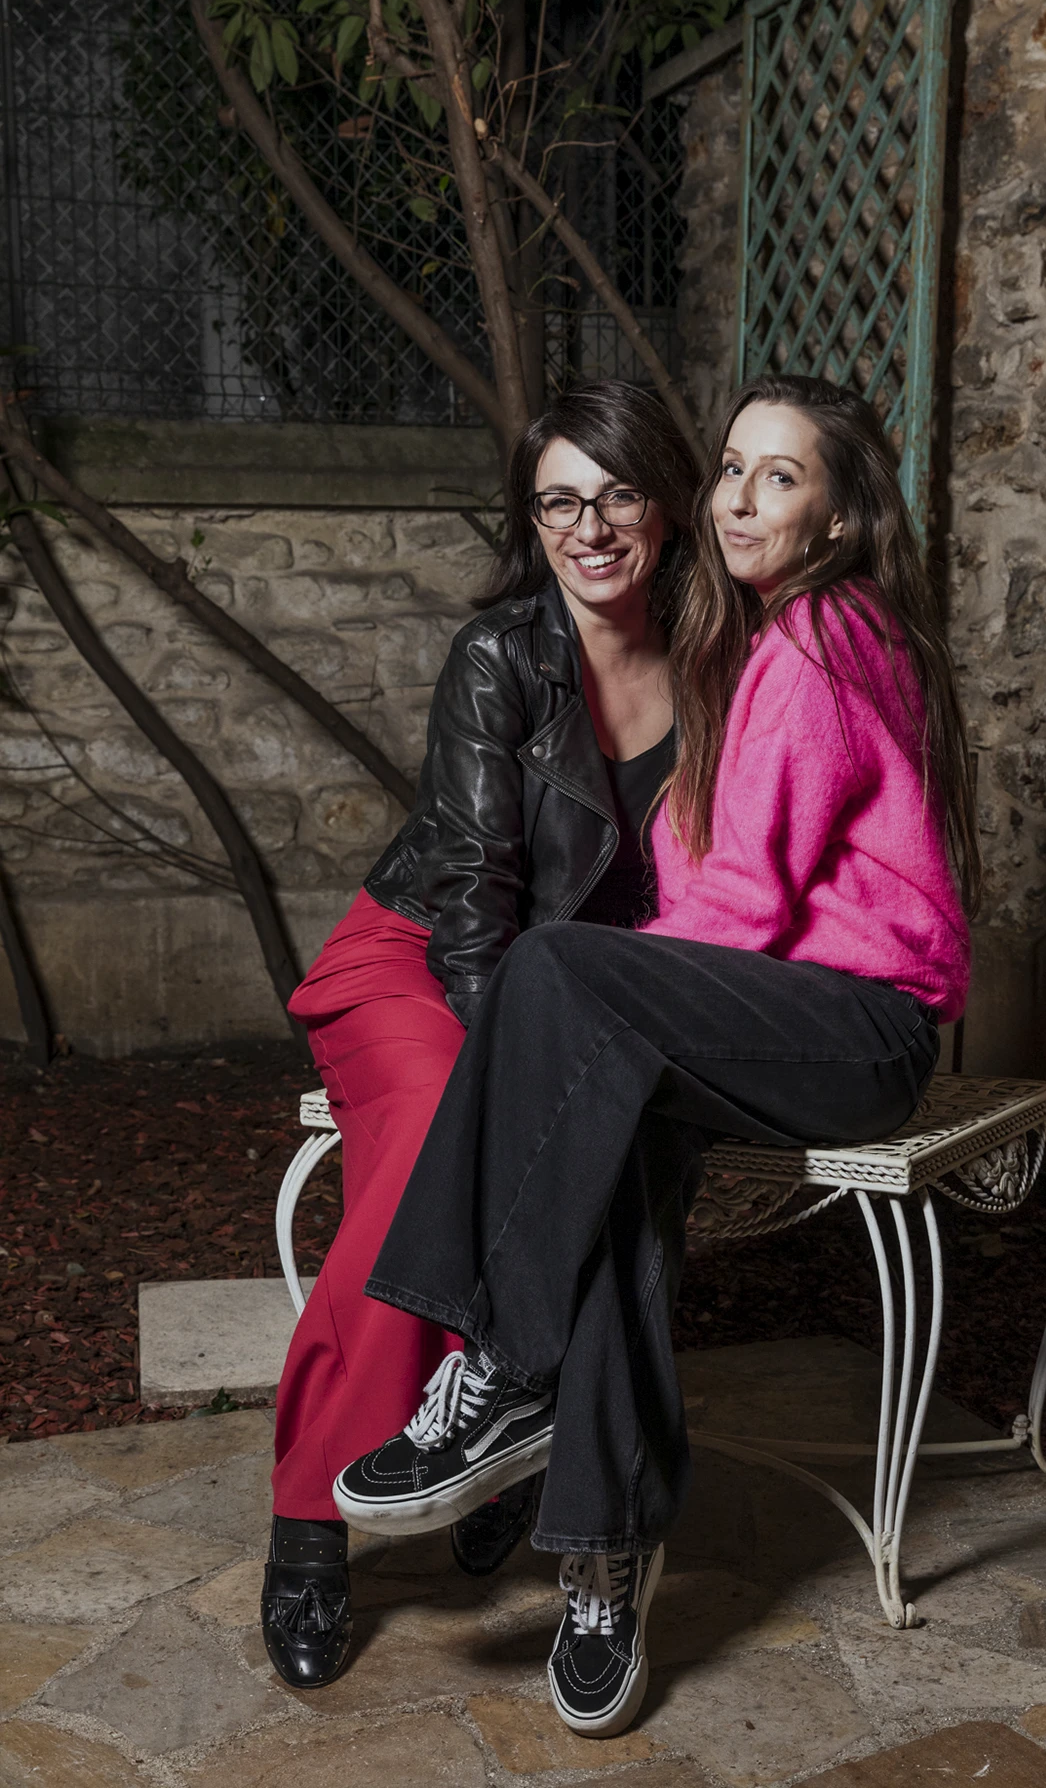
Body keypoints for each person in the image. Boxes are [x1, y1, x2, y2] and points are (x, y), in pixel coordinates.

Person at [333, 374, 979, 1736]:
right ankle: (604, 1558)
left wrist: (615, 990)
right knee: (614, 1121)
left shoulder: (812, 642)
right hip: (776, 1015)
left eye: (779, 477)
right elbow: (715, 908)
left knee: (562, 968)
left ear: (839, 514)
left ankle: (500, 1366)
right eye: (732, 469)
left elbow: (739, 909)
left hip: (854, 1031)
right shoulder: (760, 642)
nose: (742, 497)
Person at [262, 380, 698, 1689]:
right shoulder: (502, 655)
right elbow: (470, 899)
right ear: (532, 519)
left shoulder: (722, 655)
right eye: (558, 500)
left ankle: (502, 1427)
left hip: (582, 989)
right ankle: (306, 1524)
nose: (590, 526)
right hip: (423, 962)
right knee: (435, 1157)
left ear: (666, 502)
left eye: (616, 491)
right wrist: (523, 1061)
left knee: (594, 1147)